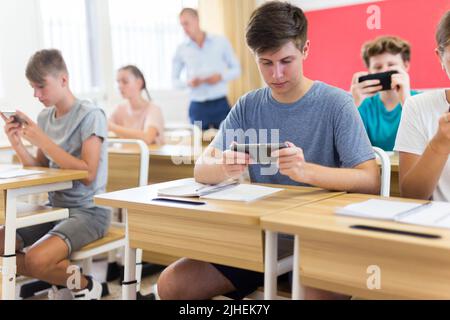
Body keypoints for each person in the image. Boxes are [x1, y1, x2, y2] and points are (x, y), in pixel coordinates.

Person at [156, 2, 380, 300]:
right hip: (260, 239)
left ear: (305, 50)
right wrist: (222, 167)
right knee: (171, 285)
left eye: (286, 60)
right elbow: (201, 168)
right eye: (266, 63)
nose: (276, 74)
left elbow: (370, 180)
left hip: (323, 237)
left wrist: (306, 171)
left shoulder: (336, 103)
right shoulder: (248, 105)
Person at [0, 49, 110, 299]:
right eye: (33, 88)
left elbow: (88, 173)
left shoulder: (91, 115)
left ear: (63, 80)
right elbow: (40, 169)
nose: (37, 95)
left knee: (37, 261)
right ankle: (60, 279)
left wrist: (42, 138)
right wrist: (17, 143)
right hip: (54, 209)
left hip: (89, 211)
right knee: (1, 242)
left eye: (41, 87)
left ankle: (86, 286)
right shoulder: (44, 117)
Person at [395, 10, 450, 202]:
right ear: (441, 58)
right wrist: (440, 142)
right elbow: (411, 194)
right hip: (440, 225)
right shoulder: (418, 106)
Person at [172, 7, 241, 130]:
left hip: (220, 104)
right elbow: (174, 80)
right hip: (197, 106)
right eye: (182, 25)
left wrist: (220, 77)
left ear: (197, 20)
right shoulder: (181, 49)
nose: (184, 28)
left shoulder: (221, 42)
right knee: (196, 145)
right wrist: (188, 83)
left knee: (229, 140)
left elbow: (236, 69)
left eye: (186, 23)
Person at [350, 36, 419, 151]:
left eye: (391, 65)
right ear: (369, 70)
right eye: (378, 67)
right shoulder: (363, 105)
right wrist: (351, 104)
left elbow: (424, 141)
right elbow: (349, 143)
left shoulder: (421, 101)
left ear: (406, 65)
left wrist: (406, 100)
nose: (384, 70)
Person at [109, 65, 165, 145]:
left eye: (125, 82)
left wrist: (112, 127)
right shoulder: (119, 109)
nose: (120, 86)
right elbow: (103, 126)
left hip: (151, 156)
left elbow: (148, 138)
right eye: (118, 82)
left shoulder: (153, 109)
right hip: (128, 155)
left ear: (139, 83)